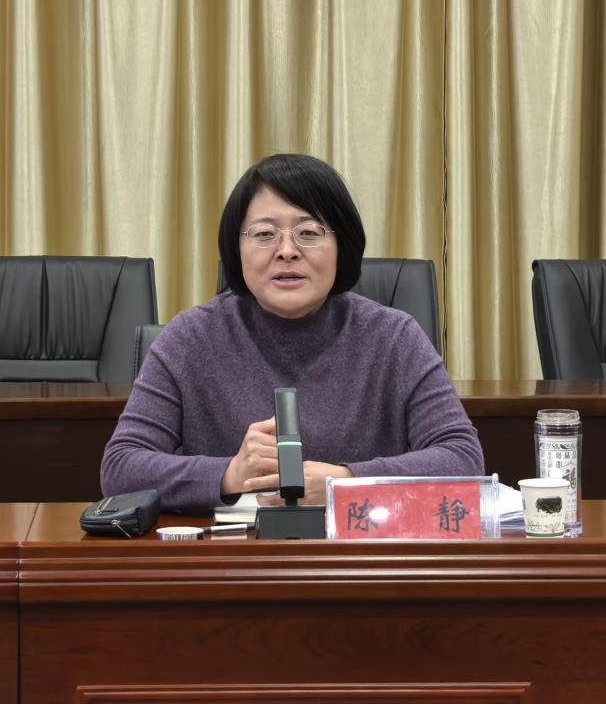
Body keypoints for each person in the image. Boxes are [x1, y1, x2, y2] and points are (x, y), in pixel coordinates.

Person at [100, 153, 483, 513]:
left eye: (309, 232)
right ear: (237, 248)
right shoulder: (190, 338)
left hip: (361, 554)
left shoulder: (395, 337)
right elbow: (120, 468)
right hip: (236, 556)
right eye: (264, 234)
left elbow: (463, 459)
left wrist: (346, 482)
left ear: (342, 246)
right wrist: (230, 474)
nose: (287, 250)